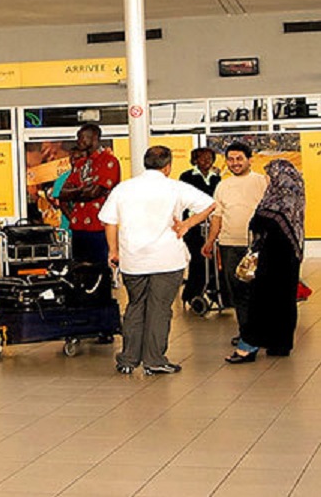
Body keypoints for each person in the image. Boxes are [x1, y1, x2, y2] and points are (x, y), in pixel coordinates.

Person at [100, 146, 215, 376]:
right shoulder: (175, 187)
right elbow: (209, 205)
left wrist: (113, 250)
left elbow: (109, 221)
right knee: (159, 309)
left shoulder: (124, 188)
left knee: (135, 307)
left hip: (133, 260)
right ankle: (154, 360)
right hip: (167, 259)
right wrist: (186, 225)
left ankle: (128, 359)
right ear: (168, 166)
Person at [226, 159, 305, 363]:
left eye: (269, 174)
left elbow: (260, 222)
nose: (266, 178)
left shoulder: (277, 199)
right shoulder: (294, 196)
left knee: (260, 300)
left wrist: (256, 217)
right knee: (284, 300)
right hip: (290, 259)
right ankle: (280, 344)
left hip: (271, 259)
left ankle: (247, 347)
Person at [202, 141, 268, 346]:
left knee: (260, 291)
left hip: (257, 246)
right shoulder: (222, 185)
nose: (235, 163)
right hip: (229, 245)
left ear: (250, 160)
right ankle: (246, 334)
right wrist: (210, 241)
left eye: (239, 159)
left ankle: (262, 333)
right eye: (230, 159)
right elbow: (217, 217)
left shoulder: (262, 182)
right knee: (238, 291)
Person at [59, 124, 121, 265]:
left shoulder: (109, 161)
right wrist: (82, 189)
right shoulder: (81, 163)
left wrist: (75, 192)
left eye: (81, 138)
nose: (78, 141)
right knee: (79, 269)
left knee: (100, 269)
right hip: (78, 226)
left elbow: (94, 193)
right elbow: (63, 193)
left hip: (99, 226)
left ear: (94, 138)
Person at [178, 147, 221, 305]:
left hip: (212, 224)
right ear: (195, 160)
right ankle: (192, 293)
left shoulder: (216, 178)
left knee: (213, 261)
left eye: (209, 158)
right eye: (202, 158)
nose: (206, 162)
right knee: (198, 259)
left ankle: (214, 291)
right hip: (194, 225)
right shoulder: (187, 177)